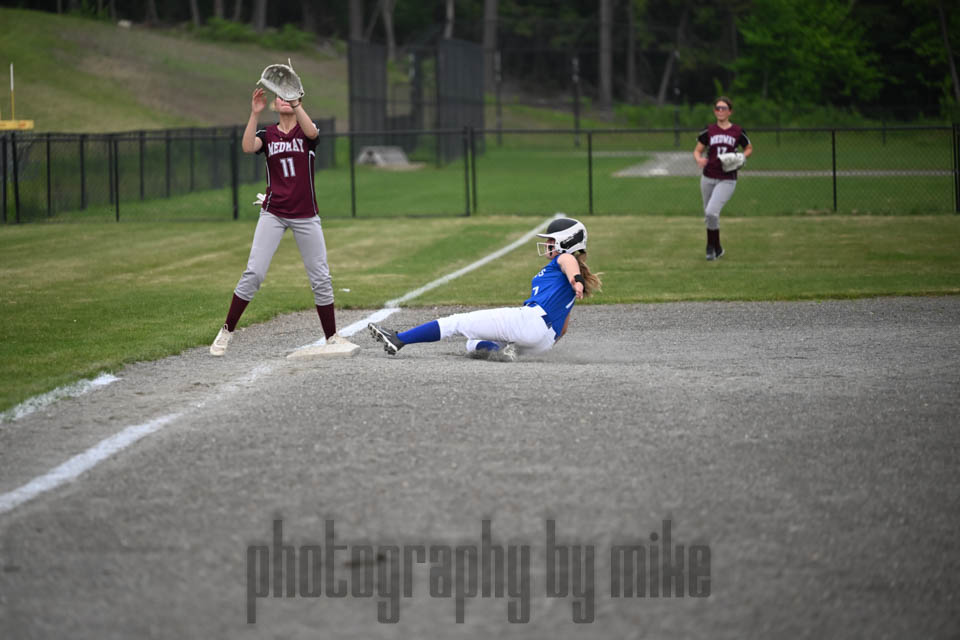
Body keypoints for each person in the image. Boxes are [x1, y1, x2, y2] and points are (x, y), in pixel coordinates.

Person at [210, 86, 358, 356]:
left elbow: (312, 133)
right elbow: (247, 147)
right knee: (254, 273)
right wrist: (254, 113)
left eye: (289, 95)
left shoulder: (306, 130)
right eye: (280, 96)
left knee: (321, 277)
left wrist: (297, 103)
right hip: (274, 212)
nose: (285, 99)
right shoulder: (267, 134)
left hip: (305, 214)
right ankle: (226, 331)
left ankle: (332, 337)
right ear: (275, 105)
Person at [367, 217, 601, 361]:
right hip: (543, 340)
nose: (548, 243)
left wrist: (577, 280)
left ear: (566, 242)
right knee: (472, 343)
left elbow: (569, 262)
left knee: (456, 322)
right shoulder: (564, 276)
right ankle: (505, 353)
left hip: (530, 321)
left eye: (552, 240)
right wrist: (537, 345)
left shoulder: (565, 260)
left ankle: (399, 339)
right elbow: (563, 329)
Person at [693, 96, 753, 261]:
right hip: (708, 177)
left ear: (730, 111)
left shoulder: (737, 131)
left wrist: (742, 156)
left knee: (711, 212)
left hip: (727, 178)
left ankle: (710, 247)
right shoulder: (709, 130)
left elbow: (748, 148)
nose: (720, 111)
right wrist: (699, 159)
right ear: (714, 111)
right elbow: (697, 150)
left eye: (723, 108)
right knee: (709, 215)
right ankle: (718, 248)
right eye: (717, 108)